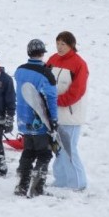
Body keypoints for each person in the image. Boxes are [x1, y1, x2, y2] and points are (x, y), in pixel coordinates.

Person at [14, 39, 58, 197]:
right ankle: (37, 188)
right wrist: (53, 120)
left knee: (28, 152)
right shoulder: (46, 74)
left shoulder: (19, 71)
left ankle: (22, 185)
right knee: (44, 154)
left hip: (23, 119)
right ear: (42, 53)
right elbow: (51, 99)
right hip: (39, 121)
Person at [46, 31, 89, 190]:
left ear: (71, 45)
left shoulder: (79, 64)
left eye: (63, 44)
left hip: (70, 115)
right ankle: (61, 181)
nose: (59, 47)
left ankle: (77, 183)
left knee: (69, 150)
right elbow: (45, 80)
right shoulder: (52, 59)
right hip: (54, 114)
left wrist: (56, 101)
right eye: (57, 43)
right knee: (58, 150)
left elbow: (77, 91)